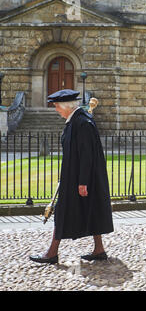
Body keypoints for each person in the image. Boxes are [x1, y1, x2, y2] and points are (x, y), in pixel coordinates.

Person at [29, 89, 114, 264]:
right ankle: (99, 249)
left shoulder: (82, 122)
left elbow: (86, 155)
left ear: (66, 106)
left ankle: (52, 253)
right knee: (90, 210)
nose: (56, 110)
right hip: (74, 176)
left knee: (62, 212)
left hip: (80, 179)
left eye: (57, 107)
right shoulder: (76, 120)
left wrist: (82, 182)